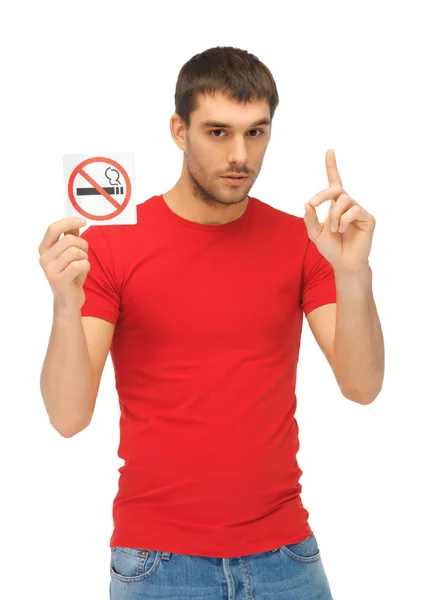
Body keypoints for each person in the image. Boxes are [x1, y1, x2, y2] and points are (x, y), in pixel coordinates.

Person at [39, 46, 384, 600]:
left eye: (256, 132)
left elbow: (362, 385)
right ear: (179, 130)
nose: (240, 155)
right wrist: (62, 302)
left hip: (286, 555)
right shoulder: (110, 244)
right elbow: (67, 416)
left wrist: (354, 273)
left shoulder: (303, 240)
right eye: (218, 132)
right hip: (158, 562)